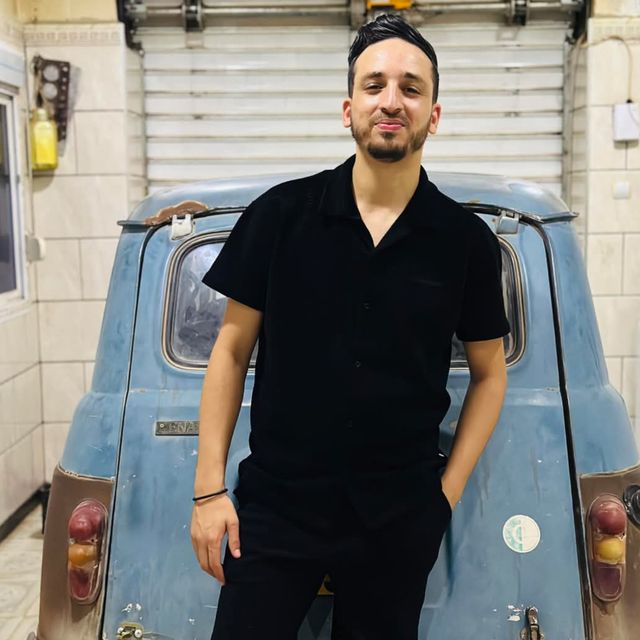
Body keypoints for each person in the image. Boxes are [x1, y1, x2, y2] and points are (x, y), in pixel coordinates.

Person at [191, 12, 510, 640]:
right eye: (374, 85)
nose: (391, 101)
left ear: (433, 115)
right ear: (349, 109)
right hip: (276, 509)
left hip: (398, 519)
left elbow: (490, 374)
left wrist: (442, 498)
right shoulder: (279, 216)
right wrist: (208, 492)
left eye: (411, 88)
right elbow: (229, 352)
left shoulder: (465, 242)